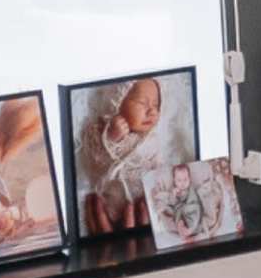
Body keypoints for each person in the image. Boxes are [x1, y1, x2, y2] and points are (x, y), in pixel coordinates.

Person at [74, 75, 182, 235]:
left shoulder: (153, 139)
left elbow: (161, 167)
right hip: (112, 205)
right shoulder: (101, 131)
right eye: (142, 103)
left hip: (147, 204)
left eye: (156, 105)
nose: (151, 111)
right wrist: (111, 137)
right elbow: (94, 159)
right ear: (117, 103)